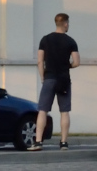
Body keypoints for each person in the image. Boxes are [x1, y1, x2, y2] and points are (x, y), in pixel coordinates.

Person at [34, 13, 79, 149]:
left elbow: (40, 61)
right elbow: (76, 62)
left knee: (43, 110)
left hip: (49, 78)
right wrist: (67, 66)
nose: (68, 25)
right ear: (65, 24)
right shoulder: (71, 41)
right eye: (68, 23)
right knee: (64, 111)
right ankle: (63, 142)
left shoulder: (45, 40)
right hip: (64, 79)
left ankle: (38, 141)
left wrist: (43, 76)